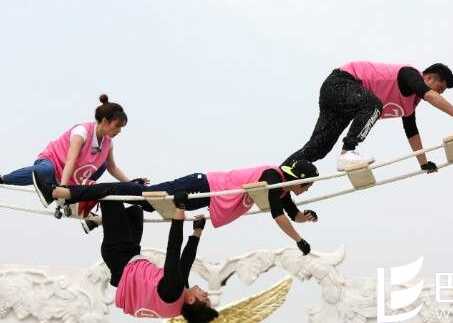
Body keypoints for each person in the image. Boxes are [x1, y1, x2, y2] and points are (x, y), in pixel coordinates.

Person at [33, 160, 320, 255]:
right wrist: (299, 241)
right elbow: (278, 214)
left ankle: (91, 211)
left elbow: (291, 213)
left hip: (200, 196)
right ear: (299, 179)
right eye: (307, 186)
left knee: (142, 202)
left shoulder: (282, 188)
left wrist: (305, 218)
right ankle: (65, 192)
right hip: (200, 186)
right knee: (139, 195)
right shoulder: (273, 179)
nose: (306, 190)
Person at [281, 61, 453, 172]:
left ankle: (277, 176)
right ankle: (347, 152)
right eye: (440, 88)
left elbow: (412, 133)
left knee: (318, 148)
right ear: (427, 77)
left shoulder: (410, 104)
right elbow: (429, 95)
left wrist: (423, 163)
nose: (439, 93)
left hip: (343, 100)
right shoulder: (410, 74)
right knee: (374, 105)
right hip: (340, 82)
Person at [1, 94, 147, 218]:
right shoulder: (81, 132)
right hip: (53, 162)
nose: (119, 131)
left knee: (103, 164)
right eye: (117, 126)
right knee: (45, 171)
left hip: (74, 174)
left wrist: (131, 184)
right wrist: (63, 189)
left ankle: (78, 198)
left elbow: (112, 168)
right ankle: (3, 179)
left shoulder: (108, 143)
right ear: (105, 121)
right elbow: (71, 160)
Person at [84, 188, 218, 321]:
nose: (206, 293)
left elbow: (174, 248)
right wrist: (198, 230)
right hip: (129, 257)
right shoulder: (177, 301)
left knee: (109, 194)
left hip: (119, 254)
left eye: (205, 298)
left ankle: (80, 200)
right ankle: (102, 220)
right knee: (135, 212)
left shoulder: (173, 290)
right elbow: (186, 261)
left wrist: (180, 207)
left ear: (191, 300)